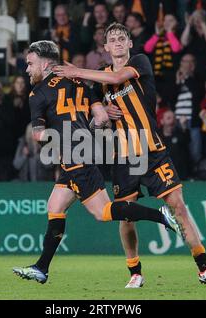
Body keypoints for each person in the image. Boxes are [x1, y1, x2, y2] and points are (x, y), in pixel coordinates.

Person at [54, 23, 206, 288]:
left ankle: (204, 268)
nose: (118, 41)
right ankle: (135, 271)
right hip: (123, 156)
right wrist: (100, 112)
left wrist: (75, 71)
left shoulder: (140, 62)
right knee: (125, 216)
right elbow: (92, 110)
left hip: (152, 149)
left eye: (122, 37)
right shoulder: (100, 77)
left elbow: (114, 79)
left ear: (130, 43)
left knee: (178, 206)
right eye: (113, 39)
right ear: (106, 48)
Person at [12, 40, 180, 285]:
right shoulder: (79, 82)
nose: (27, 69)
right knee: (55, 206)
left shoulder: (37, 93)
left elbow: (38, 135)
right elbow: (100, 118)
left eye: (30, 64)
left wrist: (56, 138)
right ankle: (42, 268)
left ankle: (161, 216)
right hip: (86, 151)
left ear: (46, 63)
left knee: (103, 212)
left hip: (74, 157)